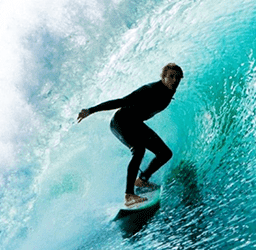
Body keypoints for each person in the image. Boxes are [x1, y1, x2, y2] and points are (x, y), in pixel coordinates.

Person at [77, 63, 183, 207]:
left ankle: (142, 180)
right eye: (171, 76)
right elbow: (122, 101)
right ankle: (129, 195)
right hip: (121, 122)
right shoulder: (150, 90)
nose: (175, 80)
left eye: (178, 77)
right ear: (163, 77)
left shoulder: (168, 93)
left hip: (136, 123)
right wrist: (91, 110)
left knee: (164, 153)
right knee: (139, 150)